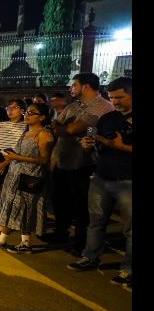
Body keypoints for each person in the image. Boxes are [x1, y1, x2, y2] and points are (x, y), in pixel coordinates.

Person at [67, 77, 132, 286]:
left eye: (120, 97)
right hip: (101, 177)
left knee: (129, 229)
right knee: (95, 222)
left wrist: (122, 147)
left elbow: (116, 145)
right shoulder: (108, 118)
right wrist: (87, 143)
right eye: (112, 98)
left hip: (128, 181)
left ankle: (128, 269)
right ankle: (90, 257)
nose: (115, 102)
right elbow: (92, 136)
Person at [50, 73, 115, 255]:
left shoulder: (102, 107)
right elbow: (57, 127)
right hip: (64, 160)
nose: (71, 88)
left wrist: (61, 128)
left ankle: (80, 243)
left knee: (81, 207)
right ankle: (60, 233)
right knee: (61, 201)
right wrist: (60, 129)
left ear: (85, 86)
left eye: (74, 85)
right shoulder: (73, 106)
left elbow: (71, 129)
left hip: (83, 163)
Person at [0, 102, 55, 253]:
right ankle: (24, 243)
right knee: (17, 207)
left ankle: (3, 239)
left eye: (31, 112)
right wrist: (13, 156)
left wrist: (18, 157)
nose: (27, 114)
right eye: (26, 112)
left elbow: (44, 160)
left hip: (29, 177)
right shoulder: (26, 132)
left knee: (22, 208)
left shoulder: (44, 135)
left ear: (42, 117)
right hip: (15, 174)